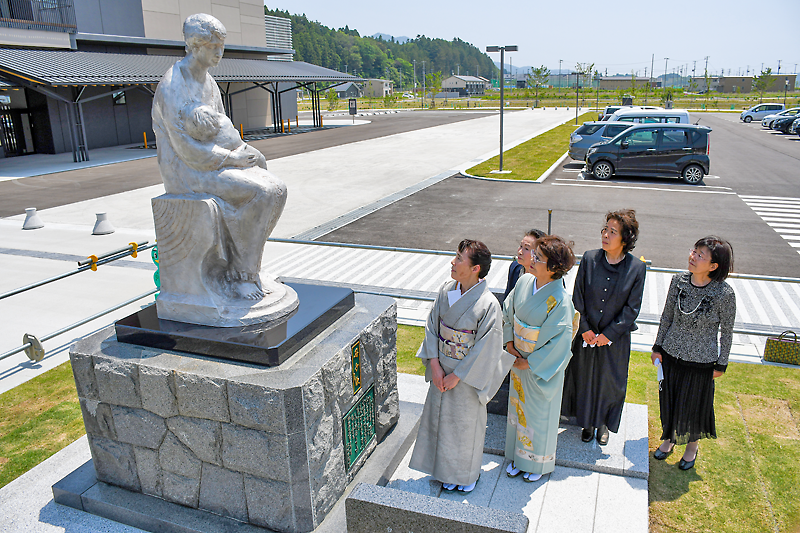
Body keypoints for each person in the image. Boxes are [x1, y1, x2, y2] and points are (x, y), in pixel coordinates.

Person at [152, 13, 285, 301]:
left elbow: (222, 127)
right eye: (213, 47)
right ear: (195, 45)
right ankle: (242, 275)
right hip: (186, 169)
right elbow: (185, 149)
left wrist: (241, 151)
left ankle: (247, 263)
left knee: (278, 189)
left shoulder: (209, 82)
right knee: (259, 193)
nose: (219, 53)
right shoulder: (173, 85)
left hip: (213, 159)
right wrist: (231, 158)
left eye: (221, 46)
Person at [409, 239, 514, 492]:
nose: (453, 262)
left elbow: (487, 347)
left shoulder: (488, 304)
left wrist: (458, 375)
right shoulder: (447, 290)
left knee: (464, 427)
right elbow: (432, 325)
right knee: (440, 422)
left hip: (466, 377)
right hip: (441, 369)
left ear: (476, 268)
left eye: (459, 258)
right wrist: (434, 364)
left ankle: (466, 476)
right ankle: (443, 471)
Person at [561, 209, 646, 445]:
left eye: (612, 231)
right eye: (604, 229)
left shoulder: (637, 268)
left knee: (610, 383)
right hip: (586, 336)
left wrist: (608, 334)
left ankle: (603, 424)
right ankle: (586, 423)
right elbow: (578, 296)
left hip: (615, 340)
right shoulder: (589, 258)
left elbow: (632, 309)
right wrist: (586, 329)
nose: (605, 235)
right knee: (585, 379)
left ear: (625, 239)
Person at [651, 236, 735, 470]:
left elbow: (727, 332)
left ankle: (691, 447)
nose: (693, 257)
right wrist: (657, 347)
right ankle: (668, 439)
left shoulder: (724, 294)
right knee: (669, 398)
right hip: (671, 352)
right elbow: (667, 316)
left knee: (695, 405)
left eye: (700, 255)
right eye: (693, 251)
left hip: (702, 360)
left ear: (713, 266)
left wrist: (721, 364)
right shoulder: (678, 281)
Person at [503, 235, 577, 482]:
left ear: (555, 268)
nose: (532, 260)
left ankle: (537, 465)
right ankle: (517, 456)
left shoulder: (561, 300)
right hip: (517, 358)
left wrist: (530, 362)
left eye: (539, 258)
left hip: (538, 367)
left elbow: (560, 341)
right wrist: (509, 342)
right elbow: (508, 309)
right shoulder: (525, 281)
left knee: (538, 413)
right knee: (518, 409)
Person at [504, 229, 547, 300]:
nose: (520, 252)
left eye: (526, 248)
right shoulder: (515, 268)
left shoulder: (547, 278)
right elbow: (507, 299)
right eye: (521, 246)